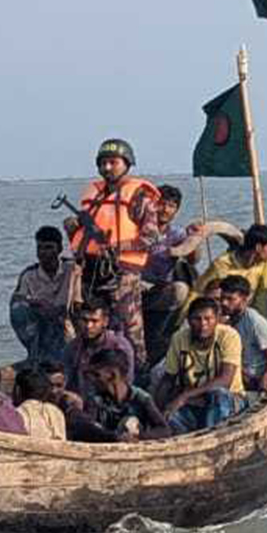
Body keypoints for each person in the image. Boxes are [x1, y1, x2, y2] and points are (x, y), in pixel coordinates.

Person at [64, 139, 162, 368]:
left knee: (129, 328)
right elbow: (80, 235)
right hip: (90, 270)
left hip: (122, 272)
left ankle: (137, 373)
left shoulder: (139, 195)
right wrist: (72, 226)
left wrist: (117, 248)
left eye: (113, 162)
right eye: (103, 163)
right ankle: (90, 372)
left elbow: (151, 237)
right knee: (89, 325)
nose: (107, 168)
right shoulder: (94, 194)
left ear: (126, 164)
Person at [155, 297, 244, 435]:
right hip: (196, 401)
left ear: (217, 320)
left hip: (229, 400)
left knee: (218, 394)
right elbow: (168, 379)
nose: (203, 324)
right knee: (170, 416)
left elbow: (225, 381)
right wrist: (157, 411)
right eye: (197, 319)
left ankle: (211, 438)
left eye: (208, 319)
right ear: (189, 321)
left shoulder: (229, 336)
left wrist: (184, 396)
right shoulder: (179, 338)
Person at [140, 184, 204, 363]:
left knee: (181, 290)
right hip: (133, 287)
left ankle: (165, 332)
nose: (165, 209)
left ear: (176, 210)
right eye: (161, 203)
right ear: (152, 205)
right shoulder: (137, 228)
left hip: (159, 291)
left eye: (171, 206)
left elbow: (193, 259)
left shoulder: (177, 234)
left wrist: (195, 238)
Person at [67, 347, 168, 443]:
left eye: (96, 375)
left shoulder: (141, 398)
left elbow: (164, 429)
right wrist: (115, 438)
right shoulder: (96, 401)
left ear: (112, 375)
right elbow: (88, 428)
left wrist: (139, 437)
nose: (92, 380)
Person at [9, 225, 74, 367]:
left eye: (49, 247)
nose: (43, 252)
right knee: (18, 309)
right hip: (41, 323)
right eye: (40, 248)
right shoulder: (29, 275)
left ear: (59, 249)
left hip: (67, 322)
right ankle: (34, 353)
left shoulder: (72, 269)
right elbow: (18, 299)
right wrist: (36, 303)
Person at [215, 274, 267, 395]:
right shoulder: (227, 320)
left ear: (244, 299)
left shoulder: (254, 321)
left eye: (230, 299)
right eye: (222, 298)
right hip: (237, 375)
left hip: (254, 378)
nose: (224, 303)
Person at [188, 224, 267, 323]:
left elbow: (262, 295)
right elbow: (197, 292)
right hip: (223, 316)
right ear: (258, 247)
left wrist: (263, 321)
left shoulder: (263, 263)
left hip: (246, 313)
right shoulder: (222, 265)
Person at [60, 296, 136, 398]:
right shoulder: (73, 348)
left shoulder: (119, 346)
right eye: (85, 320)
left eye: (94, 321)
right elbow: (66, 381)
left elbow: (126, 383)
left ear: (105, 322)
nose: (88, 326)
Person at [13, 365, 67, 441]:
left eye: (58, 385)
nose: (54, 391)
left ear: (17, 390)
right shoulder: (56, 412)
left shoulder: (16, 414)